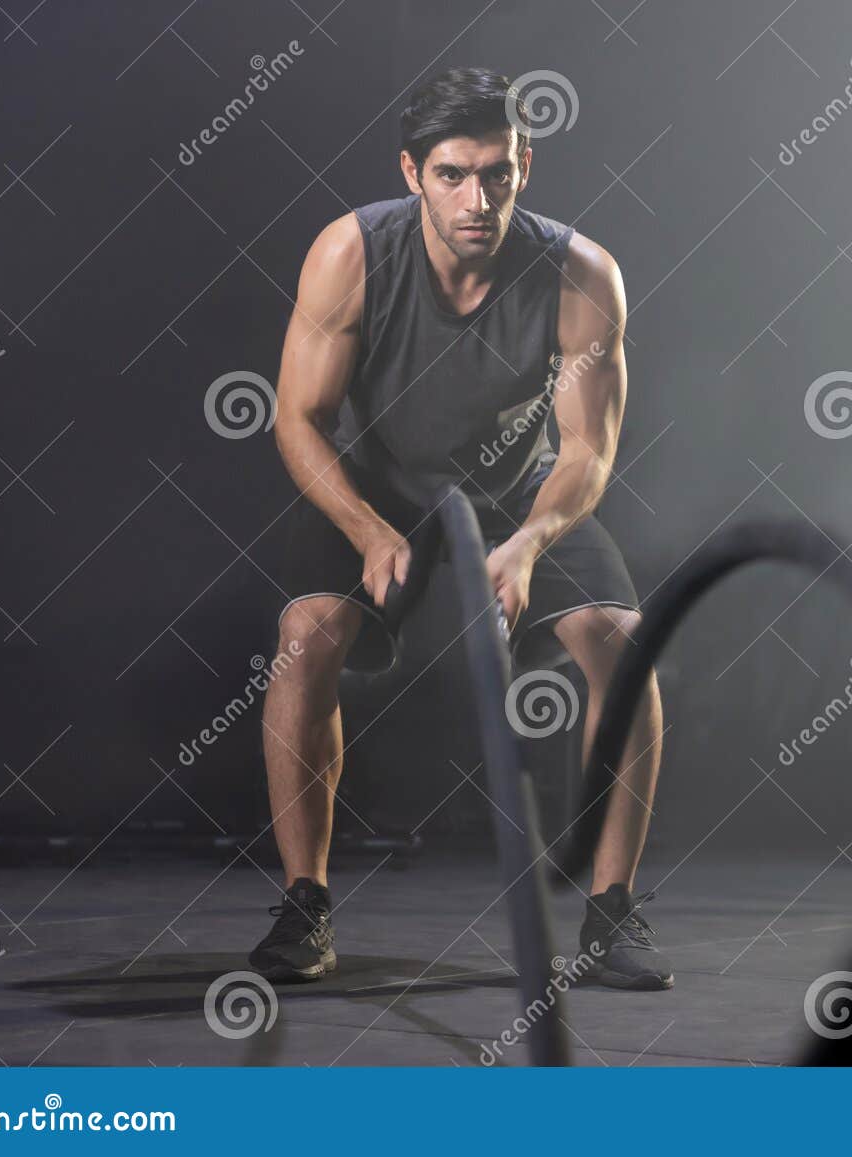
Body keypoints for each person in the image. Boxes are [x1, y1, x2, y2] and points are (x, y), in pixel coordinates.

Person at [247, 67, 671, 991]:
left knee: (623, 647)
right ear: (412, 172)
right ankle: (304, 905)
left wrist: (528, 542)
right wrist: (364, 529)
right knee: (305, 635)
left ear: (526, 165)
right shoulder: (350, 254)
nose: (477, 200)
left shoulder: (579, 273)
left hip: (518, 491)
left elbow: (586, 451)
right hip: (377, 481)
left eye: (497, 175)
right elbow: (296, 418)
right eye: (452, 175)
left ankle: (610, 910)